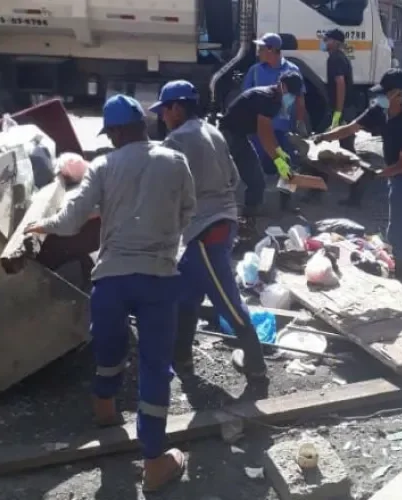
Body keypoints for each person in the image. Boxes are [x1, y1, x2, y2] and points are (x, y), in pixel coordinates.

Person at [23, 94, 196, 492]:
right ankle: (154, 461)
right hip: (158, 278)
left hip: (112, 279)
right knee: (154, 367)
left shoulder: (103, 165)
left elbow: (70, 221)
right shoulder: (174, 160)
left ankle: (104, 406)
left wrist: (39, 226)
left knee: (110, 345)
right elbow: (187, 210)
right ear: (142, 125)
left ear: (116, 132)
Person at [149, 80, 268, 387]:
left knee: (227, 301)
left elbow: (161, 188)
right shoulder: (211, 131)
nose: (162, 116)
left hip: (206, 230)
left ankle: (256, 366)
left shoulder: (176, 141)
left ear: (177, 107)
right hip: (222, 222)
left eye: (164, 110)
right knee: (186, 297)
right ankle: (182, 361)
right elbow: (234, 176)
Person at [312, 68, 402, 280]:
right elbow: (351, 128)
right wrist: (324, 137)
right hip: (397, 173)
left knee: (397, 231)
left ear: (399, 94)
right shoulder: (379, 110)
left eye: (385, 92)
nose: (380, 97)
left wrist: (377, 174)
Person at [218, 71, 302, 220]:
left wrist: (279, 152)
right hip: (228, 137)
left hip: (239, 136)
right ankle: (218, 217)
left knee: (257, 180)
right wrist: (277, 160)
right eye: (292, 93)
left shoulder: (275, 99)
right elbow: (264, 134)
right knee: (222, 181)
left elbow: (268, 131)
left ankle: (250, 215)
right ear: (282, 86)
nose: (292, 98)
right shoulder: (267, 98)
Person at [243, 33, 309, 213]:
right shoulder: (255, 70)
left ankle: (286, 203)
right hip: (258, 130)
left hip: (281, 129)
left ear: (272, 50)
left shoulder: (292, 70)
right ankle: (252, 205)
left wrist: (299, 123)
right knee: (255, 166)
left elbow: (299, 99)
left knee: (286, 164)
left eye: (262, 48)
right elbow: (246, 98)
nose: (258, 51)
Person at [322, 28, 370, 207]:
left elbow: (340, 84)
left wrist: (338, 113)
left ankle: (358, 186)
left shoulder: (335, 59)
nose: (324, 43)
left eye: (327, 40)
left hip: (343, 110)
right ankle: (317, 188)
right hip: (343, 109)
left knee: (345, 149)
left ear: (335, 41)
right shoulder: (339, 57)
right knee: (334, 146)